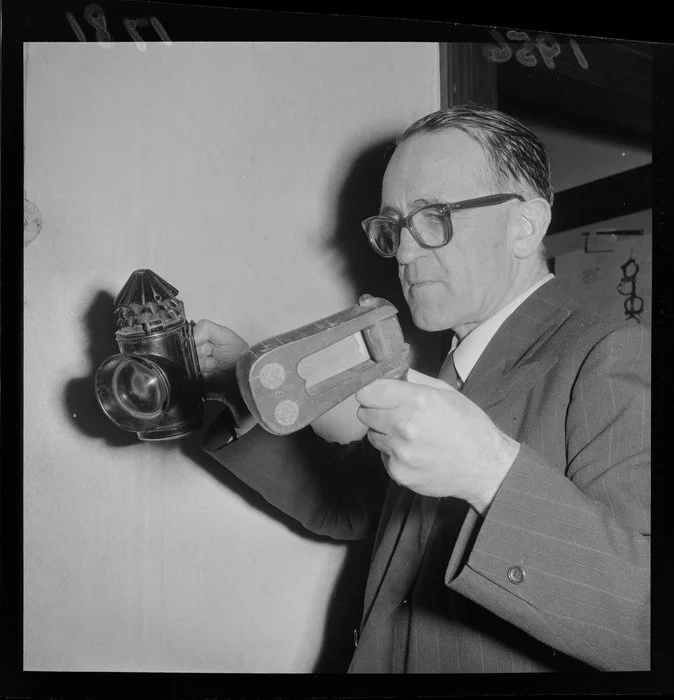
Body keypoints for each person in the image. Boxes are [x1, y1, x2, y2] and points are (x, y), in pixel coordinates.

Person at [194, 104, 650, 673]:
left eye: (435, 216)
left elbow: (644, 623)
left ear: (525, 225)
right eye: (393, 227)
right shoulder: (452, 368)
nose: (405, 253)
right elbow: (347, 506)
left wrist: (488, 470)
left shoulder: (609, 356)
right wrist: (236, 399)